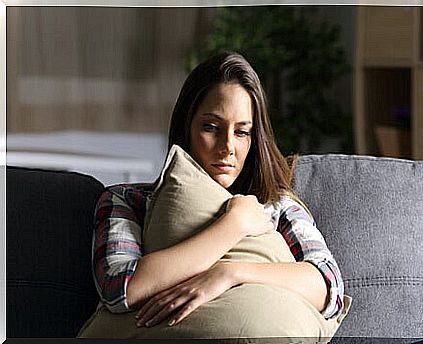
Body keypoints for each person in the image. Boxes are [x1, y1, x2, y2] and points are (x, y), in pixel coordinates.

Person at [91, 52, 345, 331]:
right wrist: (234, 224)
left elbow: (329, 286)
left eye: (241, 132)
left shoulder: (276, 206)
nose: (227, 147)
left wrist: (229, 273)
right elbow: (119, 288)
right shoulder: (127, 200)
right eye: (211, 127)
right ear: (186, 126)